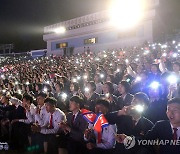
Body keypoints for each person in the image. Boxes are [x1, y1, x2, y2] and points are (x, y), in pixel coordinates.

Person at [116, 98, 180, 154]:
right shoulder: (161, 126)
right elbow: (145, 140)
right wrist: (128, 139)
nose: (170, 113)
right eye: (168, 109)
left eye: (175, 110)